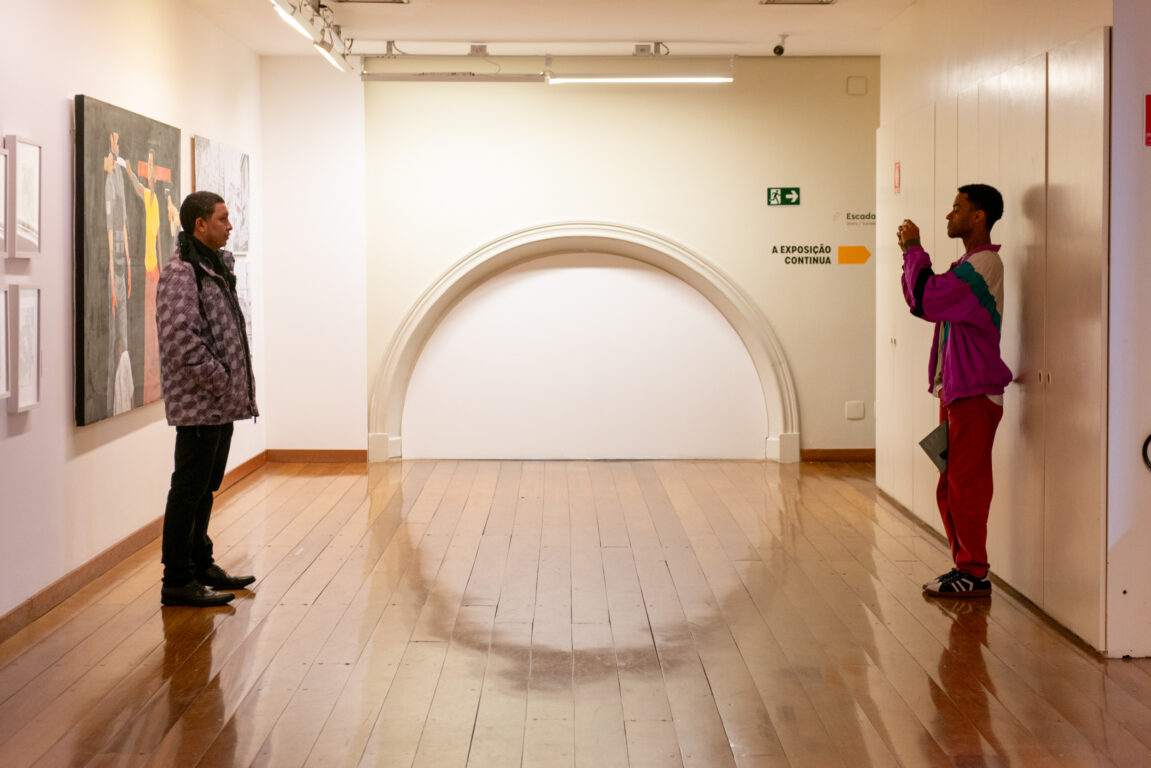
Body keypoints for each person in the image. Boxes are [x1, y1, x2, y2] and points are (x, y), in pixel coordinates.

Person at [897, 184, 1013, 598]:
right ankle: (964, 566)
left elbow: (927, 297)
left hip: (975, 394)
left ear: (979, 216)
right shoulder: (965, 265)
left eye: (956, 207)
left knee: (968, 485)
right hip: (956, 392)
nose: (949, 215)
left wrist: (914, 250)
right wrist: (911, 256)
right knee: (950, 485)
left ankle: (975, 573)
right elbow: (920, 301)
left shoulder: (984, 264)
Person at [155, 191, 258, 607]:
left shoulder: (212, 267)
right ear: (200, 224)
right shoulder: (182, 273)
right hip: (200, 405)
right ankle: (177, 580)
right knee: (188, 490)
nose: (230, 226)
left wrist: (228, 387)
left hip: (219, 404)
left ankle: (200, 564)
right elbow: (181, 341)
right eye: (222, 218)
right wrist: (220, 380)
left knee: (205, 488)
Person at [104, 132, 132, 414]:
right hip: (116, 268)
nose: (118, 145)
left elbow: (122, 223)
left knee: (123, 324)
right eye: (115, 141)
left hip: (123, 266)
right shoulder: (108, 182)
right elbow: (111, 229)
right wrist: (114, 269)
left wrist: (128, 260)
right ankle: (117, 395)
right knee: (116, 329)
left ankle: (125, 393)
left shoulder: (119, 177)